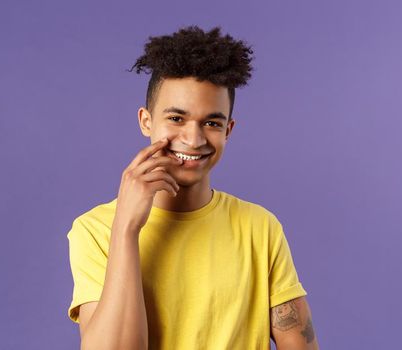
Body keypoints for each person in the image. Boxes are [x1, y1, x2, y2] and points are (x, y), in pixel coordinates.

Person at [66, 25, 318, 349]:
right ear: (146, 121)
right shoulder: (95, 231)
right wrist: (126, 229)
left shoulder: (261, 228)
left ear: (229, 130)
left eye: (211, 123)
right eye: (176, 119)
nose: (194, 139)